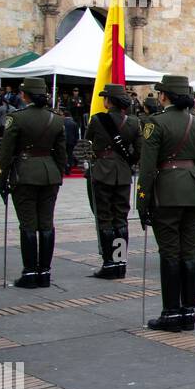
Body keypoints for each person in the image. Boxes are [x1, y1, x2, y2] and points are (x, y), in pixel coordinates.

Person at [136, 75, 195, 330]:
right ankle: (188, 312)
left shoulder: (155, 123)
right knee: (190, 252)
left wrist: (142, 200)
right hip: (194, 190)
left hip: (166, 192)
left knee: (169, 252)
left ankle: (171, 313)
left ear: (165, 96)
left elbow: (147, 168)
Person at [0, 77, 68, 288]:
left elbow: (7, 152)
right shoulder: (56, 119)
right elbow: (62, 153)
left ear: (24, 94)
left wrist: (2, 178)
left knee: (28, 224)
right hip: (50, 174)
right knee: (46, 224)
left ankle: (29, 273)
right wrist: (58, 172)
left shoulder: (16, 118)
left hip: (25, 173)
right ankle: (44, 272)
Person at [85, 84, 140, 279]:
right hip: (123, 174)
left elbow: (88, 140)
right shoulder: (134, 122)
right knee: (121, 220)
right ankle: (120, 262)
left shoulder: (98, 120)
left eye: (105, 98)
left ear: (109, 101)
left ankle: (109, 263)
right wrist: (128, 161)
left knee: (105, 218)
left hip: (102, 171)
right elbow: (138, 151)